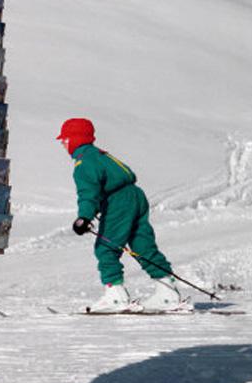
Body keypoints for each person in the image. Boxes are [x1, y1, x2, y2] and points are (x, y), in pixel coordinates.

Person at [57, 118, 184, 312]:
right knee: (142, 245)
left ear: (75, 139)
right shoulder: (100, 155)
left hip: (119, 201)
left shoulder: (84, 162)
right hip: (135, 195)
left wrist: (84, 218)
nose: (62, 144)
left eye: (64, 139)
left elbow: (87, 193)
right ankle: (167, 293)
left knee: (106, 247)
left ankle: (116, 297)